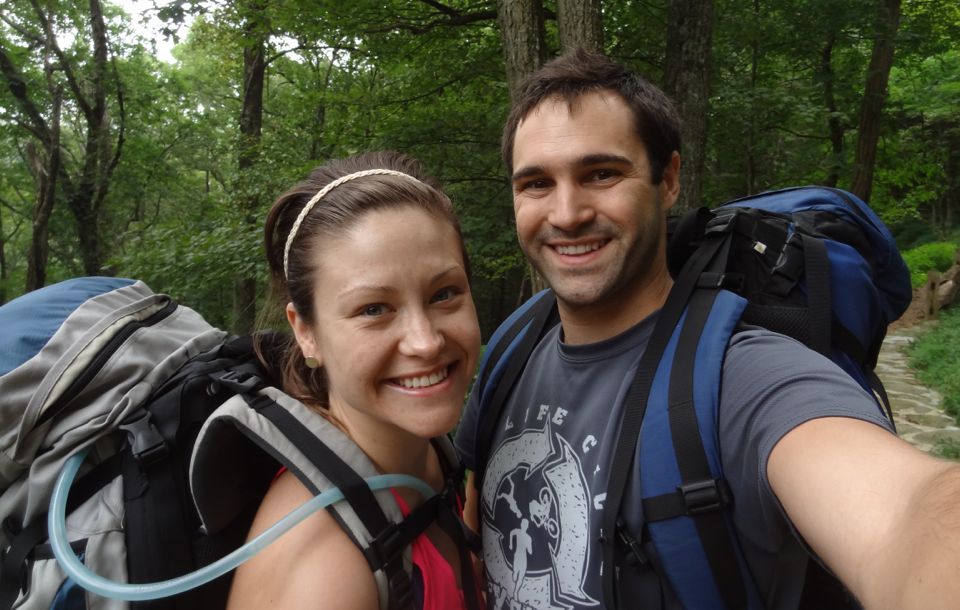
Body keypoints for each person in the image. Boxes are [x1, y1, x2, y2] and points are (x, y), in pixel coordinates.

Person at [454, 49, 960, 609]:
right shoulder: (513, 345)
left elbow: (906, 513)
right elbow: (477, 537)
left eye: (602, 174)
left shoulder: (744, 377)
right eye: (536, 183)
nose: (567, 213)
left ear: (668, 179)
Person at [227, 151, 483, 609]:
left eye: (444, 293)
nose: (425, 342)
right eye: (373, 309)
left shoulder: (428, 456)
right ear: (306, 333)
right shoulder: (321, 575)